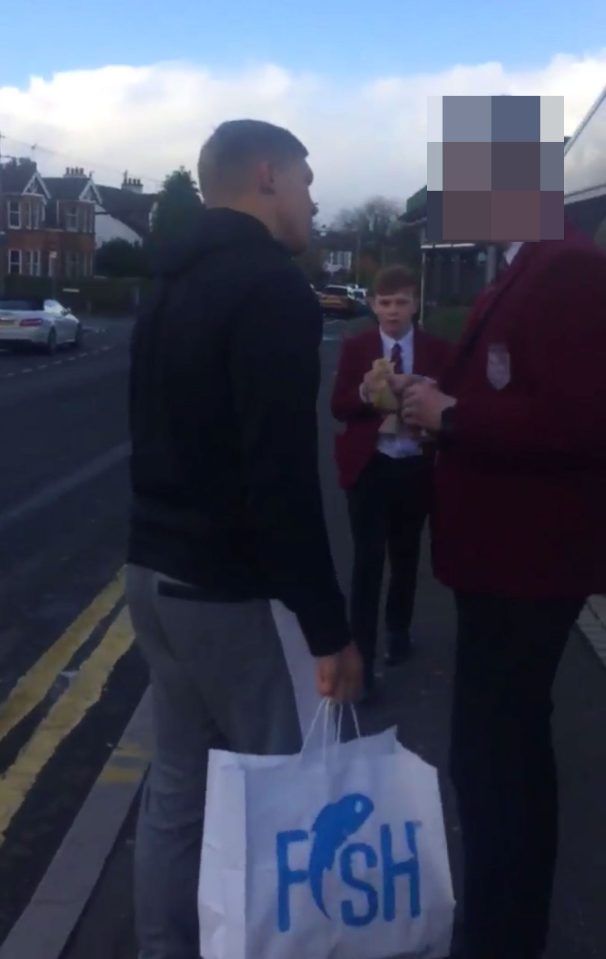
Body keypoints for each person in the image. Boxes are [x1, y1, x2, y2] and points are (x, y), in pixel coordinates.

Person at [126, 119, 362, 959]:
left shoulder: (167, 279)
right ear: (266, 175)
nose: (310, 196)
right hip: (230, 589)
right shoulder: (269, 288)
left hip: (152, 571)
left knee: (177, 793)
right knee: (289, 792)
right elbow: (281, 479)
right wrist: (329, 629)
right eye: (304, 177)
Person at [401, 224, 606, 959]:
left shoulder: (572, 267)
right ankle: (498, 929)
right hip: (503, 564)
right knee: (497, 757)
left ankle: (501, 937)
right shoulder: (523, 267)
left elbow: (584, 417)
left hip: (528, 565)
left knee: (497, 765)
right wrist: (436, 405)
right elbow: (519, 393)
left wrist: (452, 416)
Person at [331, 265, 452, 700]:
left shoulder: (437, 349)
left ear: (416, 304)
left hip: (415, 466)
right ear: (372, 305)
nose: (393, 311)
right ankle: (360, 655)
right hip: (371, 467)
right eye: (384, 303)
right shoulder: (358, 346)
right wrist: (365, 394)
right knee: (367, 561)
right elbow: (339, 406)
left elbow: (454, 402)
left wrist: (423, 388)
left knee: (405, 556)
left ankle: (398, 630)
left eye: (401, 302)